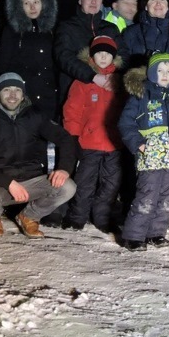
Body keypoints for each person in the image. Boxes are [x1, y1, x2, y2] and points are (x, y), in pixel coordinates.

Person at [0, 73, 79, 238]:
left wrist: (64, 168)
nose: (12, 95)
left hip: (31, 182)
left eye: (17, 90)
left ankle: (29, 216)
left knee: (68, 187)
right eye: (6, 90)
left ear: (23, 95)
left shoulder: (35, 116)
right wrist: (9, 183)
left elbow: (66, 140)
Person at [118, 53, 169, 250]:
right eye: (160, 71)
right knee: (147, 194)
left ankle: (156, 233)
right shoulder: (141, 95)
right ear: (152, 72)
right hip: (150, 155)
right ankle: (134, 235)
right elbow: (125, 123)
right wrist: (138, 144)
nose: (165, 75)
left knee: (167, 198)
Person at [61, 35, 125, 232]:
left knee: (111, 184)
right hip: (89, 142)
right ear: (92, 57)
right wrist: (72, 137)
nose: (103, 57)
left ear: (114, 57)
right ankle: (77, 216)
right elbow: (72, 111)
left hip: (114, 144)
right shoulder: (84, 81)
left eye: (108, 54)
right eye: (99, 53)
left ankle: (102, 217)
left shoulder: (121, 81)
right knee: (84, 182)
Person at [0, 0, 60, 120]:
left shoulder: (52, 29)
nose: (32, 7)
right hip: (22, 96)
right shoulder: (12, 30)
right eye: (27, 3)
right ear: (19, 6)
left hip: (48, 95)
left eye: (36, 2)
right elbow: (2, 65)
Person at [122, 0, 169, 68]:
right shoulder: (131, 32)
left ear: (168, 6)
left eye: (162, 0)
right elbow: (123, 62)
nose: (158, 4)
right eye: (153, 0)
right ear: (146, 6)